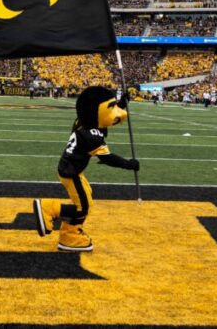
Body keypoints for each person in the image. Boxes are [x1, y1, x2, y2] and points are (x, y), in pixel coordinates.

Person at [32, 86, 139, 252]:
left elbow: (100, 116)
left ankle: (70, 233)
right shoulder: (91, 136)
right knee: (83, 207)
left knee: (86, 198)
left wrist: (120, 104)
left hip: (72, 169)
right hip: (71, 172)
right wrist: (129, 164)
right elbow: (107, 158)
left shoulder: (83, 121)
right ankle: (48, 208)